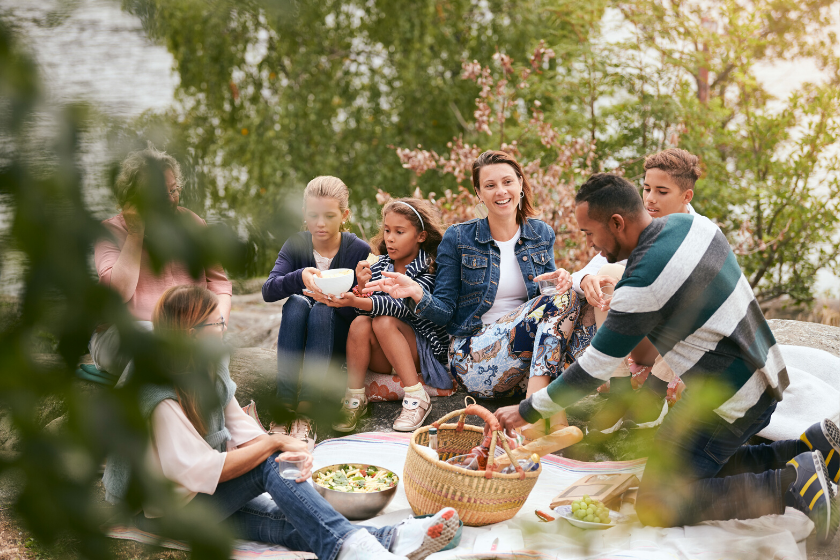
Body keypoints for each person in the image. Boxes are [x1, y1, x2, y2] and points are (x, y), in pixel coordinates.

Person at [493, 173, 839, 543]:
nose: (591, 243)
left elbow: (595, 367)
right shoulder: (693, 225)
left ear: (617, 223)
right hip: (763, 373)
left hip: (727, 400)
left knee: (656, 503)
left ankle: (791, 484)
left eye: (590, 233)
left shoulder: (641, 284)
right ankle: (811, 449)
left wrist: (527, 410)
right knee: (697, 470)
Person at [102, 285, 461, 560]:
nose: (223, 330)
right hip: (167, 512)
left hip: (198, 499)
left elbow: (239, 426)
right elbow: (199, 469)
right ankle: (359, 548)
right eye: (218, 324)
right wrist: (275, 445)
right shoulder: (155, 388)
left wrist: (290, 447)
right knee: (268, 462)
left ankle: (390, 540)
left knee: (290, 520)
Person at [365, 150, 595, 438]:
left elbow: (548, 304)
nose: (501, 191)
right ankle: (542, 414)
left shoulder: (541, 233)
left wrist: (564, 279)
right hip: (475, 358)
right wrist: (416, 293)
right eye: (490, 185)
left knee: (582, 293)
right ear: (479, 193)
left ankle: (545, 407)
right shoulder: (459, 238)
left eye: (507, 182)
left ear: (521, 184)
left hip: (527, 362)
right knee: (567, 295)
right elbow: (445, 312)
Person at [576, 148, 704, 434]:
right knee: (606, 275)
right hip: (639, 341)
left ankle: (654, 392)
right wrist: (586, 277)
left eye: (661, 191)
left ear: (686, 196)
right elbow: (591, 268)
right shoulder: (636, 223)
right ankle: (620, 391)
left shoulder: (701, 235)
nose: (650, 199)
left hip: (676, 351)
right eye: (646, 188)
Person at [92, 144, 232, 383]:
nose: (169, 199)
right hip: (121, 337)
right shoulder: (111, 231)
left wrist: (218, 322)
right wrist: (136, 233)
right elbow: (118, 293)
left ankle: (228, 418)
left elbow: (220, 286)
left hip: (188, 333)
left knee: (214, 352)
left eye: (173, 190)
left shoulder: (193, 224)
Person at [308, 198, 450, 432]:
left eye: (399, 231)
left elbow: (402, 308)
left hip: (418, 351)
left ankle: (416, 396)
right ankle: (355, 399)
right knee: (360, 323)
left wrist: (360, 299)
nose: (390, 238)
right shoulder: (379, 266)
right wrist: (360, 290)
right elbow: (361, 309)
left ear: (421, 236)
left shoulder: (429, 268)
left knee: (384, 321)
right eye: (386, 230)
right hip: (384, 356)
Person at [262, 176, 371, 447]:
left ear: (344, 215)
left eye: (329, 216)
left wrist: (356, 291)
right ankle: (284, 405)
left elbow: (366, 313)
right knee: (297, 303)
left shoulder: (359, 250)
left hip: (334, 343)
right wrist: (299, 276)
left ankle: (307, 412)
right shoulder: (296, 244)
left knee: (322, 308)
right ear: (304, 214)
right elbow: (268, 290)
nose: (320, 223)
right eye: (313, 215)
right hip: (298, 341)